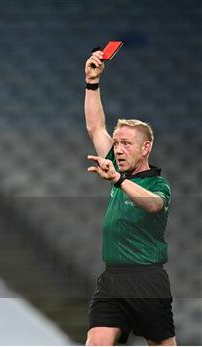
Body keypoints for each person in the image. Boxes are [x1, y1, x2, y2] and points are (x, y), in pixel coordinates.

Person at [83, 51, 176, 345]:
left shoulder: (157, 184)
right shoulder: (116, 167)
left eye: (126, 143)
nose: (118, 149)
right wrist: (92, 83)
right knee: (96, 342)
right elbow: (95, 127)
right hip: (112, 279)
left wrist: (119, 180)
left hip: (147, 280)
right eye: (117, 143)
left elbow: (153, 204)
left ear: (145, 147)